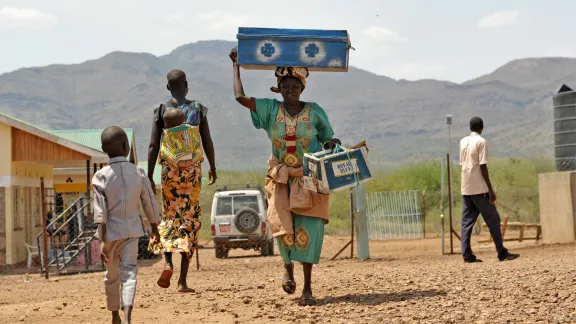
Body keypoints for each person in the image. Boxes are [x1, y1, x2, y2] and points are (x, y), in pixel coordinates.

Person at [229, 47, 341, 306]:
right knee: (284, 230)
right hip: (281, 180)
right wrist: (236, 65)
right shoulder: (270, 109)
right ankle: (287, 268)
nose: (290, 89)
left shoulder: (315, 111)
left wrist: (332, 143)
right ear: (278, 88)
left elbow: (328, 139)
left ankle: (308, 288)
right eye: (285, 85)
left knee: (309, 230)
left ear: (302, 88)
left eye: (295, 85)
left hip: (310, 179)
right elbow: (240, 97)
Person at [147, 69, 217, 293]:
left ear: (168, 87)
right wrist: (213, 166)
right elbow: (207, 140)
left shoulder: (161, 110)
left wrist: (149, 175)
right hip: (192, 175)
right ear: (186, 85)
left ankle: (167, 262)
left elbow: (152, 146)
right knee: (189, 220)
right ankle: (182, 282)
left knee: (169, 217)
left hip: (169, 175)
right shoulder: (197, 109)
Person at [93, 126, 161, 324]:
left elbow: (100, 213)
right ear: (126, 147)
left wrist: (103, 240)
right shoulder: (138, 172)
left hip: (111, 235)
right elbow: (149, 201)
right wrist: (154, 228)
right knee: (129, 273)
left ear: (103, 149)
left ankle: (114, 315)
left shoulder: (100, 176)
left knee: (111, 276)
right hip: (132, 231)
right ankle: (128, 315)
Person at [459, 117, 520, 263]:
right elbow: (483, 166)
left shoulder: (462, 141)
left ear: (470, 127)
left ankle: (467, 254)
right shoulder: (481, 141)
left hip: (466, 188)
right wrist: (490, 190)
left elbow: (462, 163)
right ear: (482, 127)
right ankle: (501, 252)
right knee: (493, 219)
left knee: (466, 223)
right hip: (480, 188)